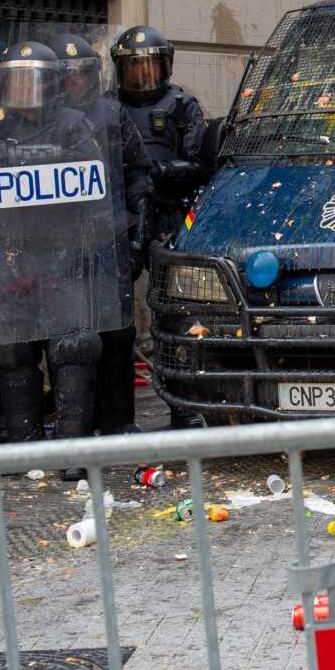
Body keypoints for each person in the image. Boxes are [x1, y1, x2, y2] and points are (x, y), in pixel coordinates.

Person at [0, 41, 110, 444]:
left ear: (51, 84)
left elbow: (93, 178)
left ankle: (72, 446)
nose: (23, 89)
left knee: (73, 349)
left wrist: (24, 158)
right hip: (12, 254)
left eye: (32, 80)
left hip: (62, 253)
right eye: (15, 80)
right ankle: (22, 446)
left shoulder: (71, 122)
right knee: (11, 352)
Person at [45, 31, 152, 456]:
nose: (74, 83)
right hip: (55, 247)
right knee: (70, 341)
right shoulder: (36, 118)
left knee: (118, 334)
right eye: (66, 76)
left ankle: (118, 421)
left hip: (106, 238)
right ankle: (72, 426)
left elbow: (138, 173)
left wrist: (138, 235)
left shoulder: (112, 113)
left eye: (82, 74)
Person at [111, 25, 207, 429]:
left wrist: (168, 172)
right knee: (114, 320)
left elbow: (201, 161)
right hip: (125, 217)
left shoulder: (181, 105)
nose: (142, 77)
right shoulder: (108, 106)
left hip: (169, 217)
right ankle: (117, 415)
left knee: (177, 315)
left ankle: (183, 409)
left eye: (149, 67)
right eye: (134, 68)